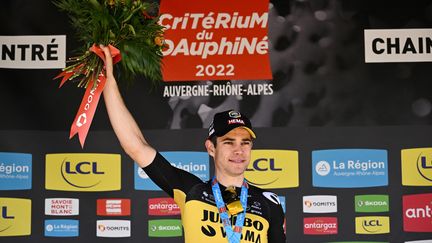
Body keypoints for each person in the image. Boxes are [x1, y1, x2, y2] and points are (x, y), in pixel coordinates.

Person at [101, 45, 286, 243]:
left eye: (245, 142)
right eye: (228, 142)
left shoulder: (268, 202)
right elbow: (136, 146)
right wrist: (107, 80)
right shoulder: (192, 190)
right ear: (211, 148)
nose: (238, 150)